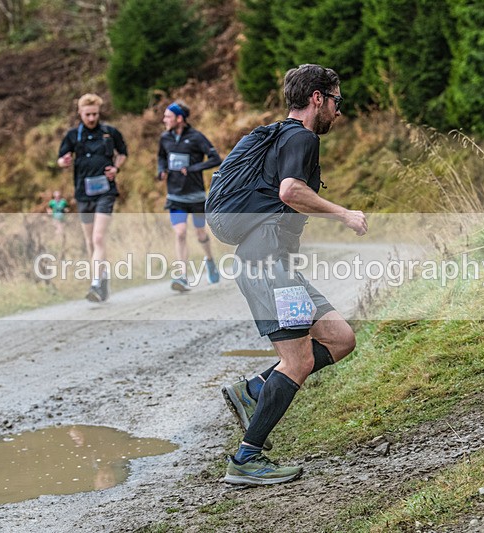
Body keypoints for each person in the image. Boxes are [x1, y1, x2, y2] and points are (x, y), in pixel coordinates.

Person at [220, 64, 368, 486]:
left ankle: (254, 391)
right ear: (317, 98)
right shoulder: (301, 136)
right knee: (299, 360)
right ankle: (246, 459)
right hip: (268, 266)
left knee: (340, 338)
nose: (339, 112)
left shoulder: (280, 136)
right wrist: (343, 214)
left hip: (275, 265)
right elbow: (290, 190)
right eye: (338, 101)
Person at [57, 93, 128, 302]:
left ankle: (95, 284)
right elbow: (61, 159)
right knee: (90, 241)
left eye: (95, 114)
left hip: (105, 192)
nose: (91, 118)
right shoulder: (72, 135)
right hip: (83, 193)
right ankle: (103, 276)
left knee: (98, 237)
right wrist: (65, 161)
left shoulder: (109, 132)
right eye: (87, 114)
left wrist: (116, 167)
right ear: (80, 113)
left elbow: (123, 153)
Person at [157, 100, 222, 292]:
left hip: (196, 197)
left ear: (179, 118)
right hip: (175, 196)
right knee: (180, 233)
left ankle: (209, 260)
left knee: (200, 233)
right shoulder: (165, 138)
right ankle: (182, 276)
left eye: (167, 117)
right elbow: (161, 156)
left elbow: (215, 158)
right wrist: (161, 170)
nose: (164, 120)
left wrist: (193, 168)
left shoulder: (196, 137)